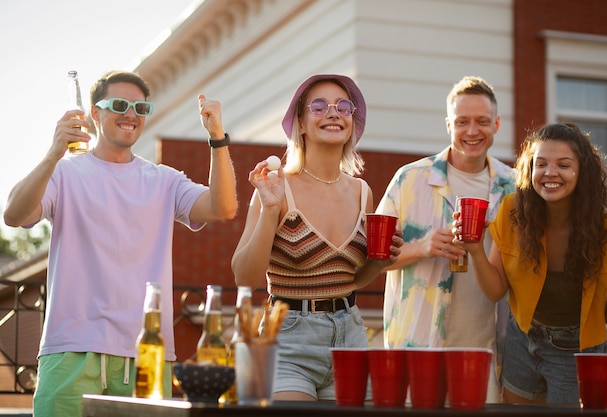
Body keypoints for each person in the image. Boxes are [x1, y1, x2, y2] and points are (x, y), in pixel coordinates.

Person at [2, 70, 237, 417]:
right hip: (70, 350)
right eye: (120, 105)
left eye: (141, 108)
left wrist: (217, 138)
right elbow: (14, 215)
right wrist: (54, 153)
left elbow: (224, 207)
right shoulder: (65, 173)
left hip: (147, 354)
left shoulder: (163, 180)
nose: (131, 114)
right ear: (94, 113)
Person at [231, 74, 402, 401]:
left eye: (344, 107)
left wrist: (380, 263)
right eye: (320, 106)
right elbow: (244, 276)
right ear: (301, 123)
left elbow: (349, 279)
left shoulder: (362, 192)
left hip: (350, 335)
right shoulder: (277, 187)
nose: (334, 113)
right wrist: (269, 211)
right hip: (287, 339)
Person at [453, 122, 607, 405]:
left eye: (564, 165)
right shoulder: (513, 211)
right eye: (541, 163)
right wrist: (474, 251)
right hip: (524, 337)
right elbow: (496, 290)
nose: (550, 173)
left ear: (582, 172)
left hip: (577, 350)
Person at [376, 75, 515, 403]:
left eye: (482, 121)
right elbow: (373, 258)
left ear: (496, 124)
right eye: (462, 121)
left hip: (485, 352)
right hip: (416, 346)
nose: (472, 131)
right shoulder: (409, 180)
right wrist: (422, 247)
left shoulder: (514, 186)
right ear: (448, 124)